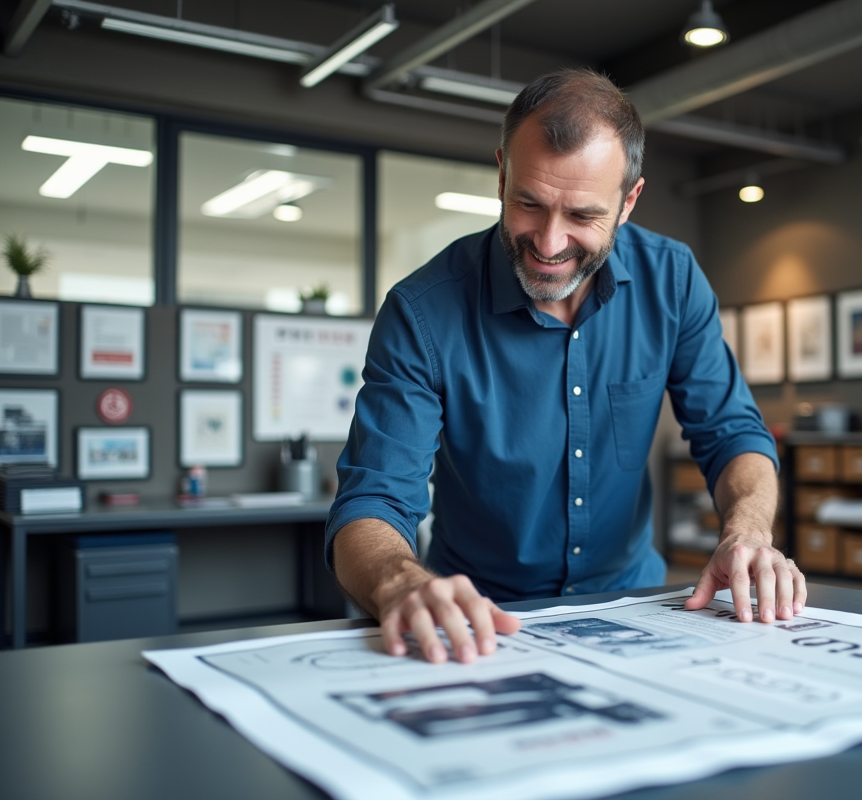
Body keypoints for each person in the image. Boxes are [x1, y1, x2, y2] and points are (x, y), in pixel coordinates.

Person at [327, 68, 806, 665]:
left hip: (633, 607)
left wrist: (747, 534)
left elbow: (732, 432)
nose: (549, 243)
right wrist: (401, 582)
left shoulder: (673, 280)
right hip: (480, 621)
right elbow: (373, 498)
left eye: (582, 215)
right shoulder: (421, 312)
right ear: (502, 175)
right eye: (529, 203)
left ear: (629, 201)